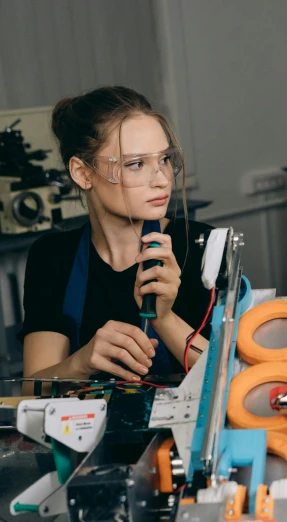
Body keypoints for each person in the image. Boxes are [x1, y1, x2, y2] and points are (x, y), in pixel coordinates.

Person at [20, 86, 213, 384]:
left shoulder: (206, 248)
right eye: (136, 164)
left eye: (164, 159)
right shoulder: (52, 257)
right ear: (82, 173)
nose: (162, 179)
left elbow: (230, 377)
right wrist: (81, 362)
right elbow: (33, 388)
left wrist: (164, 319)